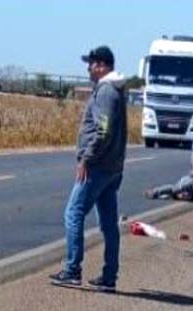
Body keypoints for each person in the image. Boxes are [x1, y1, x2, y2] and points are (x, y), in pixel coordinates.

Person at [49, 46, 128, 292]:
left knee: (73, 213)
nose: (88, 68)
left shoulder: (106, 92)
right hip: (111, 166)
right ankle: (109, 276)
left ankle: (72, 270)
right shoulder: (114, 91)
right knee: (107, 223)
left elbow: (103, 131)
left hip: (98, 167)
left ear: (102, 65)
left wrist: (86, 159)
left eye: (91, 64)